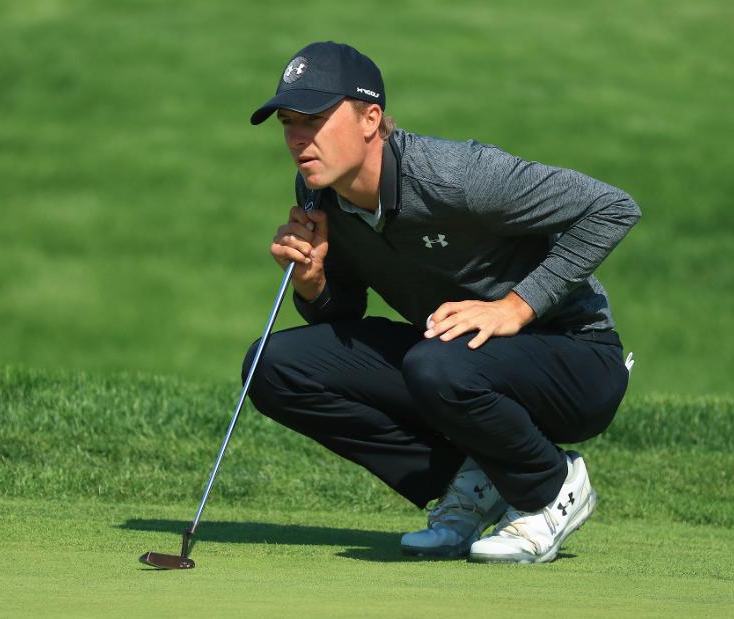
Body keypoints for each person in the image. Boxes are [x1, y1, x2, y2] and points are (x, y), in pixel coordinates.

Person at [242, 41, 641, 564]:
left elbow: (613, 208)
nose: (298, 139)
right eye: (289, 122)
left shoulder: (456, 176)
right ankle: (474, 481)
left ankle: (549, 487)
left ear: (370, 119)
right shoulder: (321, 190)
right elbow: (342, 319)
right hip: (456, 361)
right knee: (272, 367)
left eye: (314, 118)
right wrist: (314, 282)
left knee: (434, 363)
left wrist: (514, 307)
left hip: (576, 360)